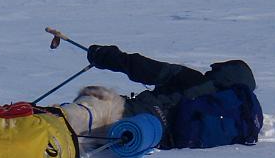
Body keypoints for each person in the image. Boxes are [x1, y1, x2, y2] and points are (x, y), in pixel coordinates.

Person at [0, 44, 261, 151]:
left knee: (53, 118)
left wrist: (104, 55)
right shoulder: (241, 120)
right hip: (148, 139)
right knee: (63, 134)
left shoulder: (191, 80)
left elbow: (140, 67)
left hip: (122, 114)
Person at [83, 44, 260, 149]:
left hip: (138, 115)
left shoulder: (194, 79)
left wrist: (106, 56)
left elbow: (144, 68)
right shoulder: (235, 116)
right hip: (156, 139)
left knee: (90, 101)